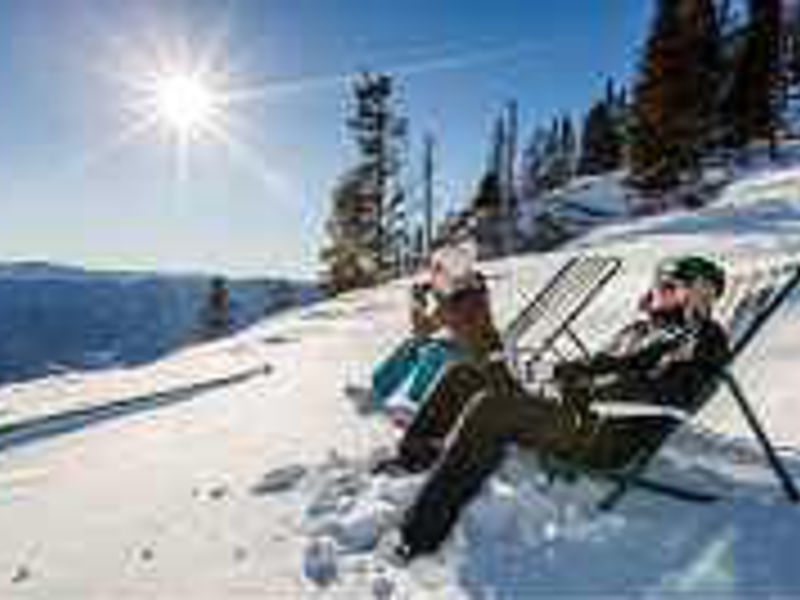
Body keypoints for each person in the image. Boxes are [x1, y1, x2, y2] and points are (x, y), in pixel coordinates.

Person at [381, 255, 731, 561]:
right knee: (466, 374)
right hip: (577, 411)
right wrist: (560, 375)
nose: (659, 291)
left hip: (603, 435)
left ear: (699, 296)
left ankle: (419, 535)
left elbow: (673, 393)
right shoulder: (642, 329)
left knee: (494, 409)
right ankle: (414, 454)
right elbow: (599, 365)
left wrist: (591, 390)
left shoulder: (700, 339)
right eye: (658, 284)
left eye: (671, 286)